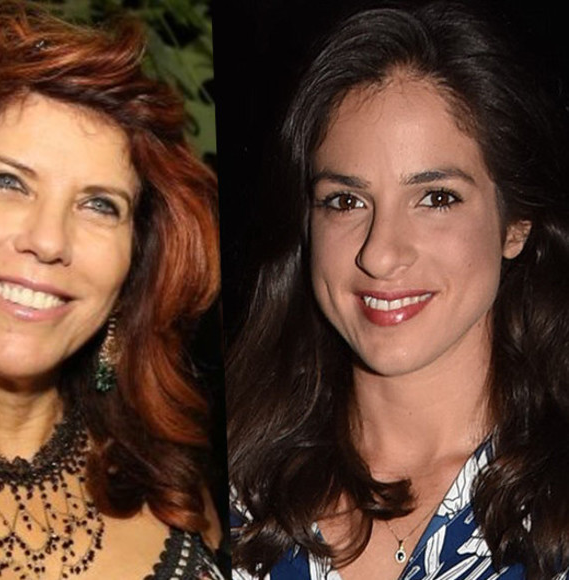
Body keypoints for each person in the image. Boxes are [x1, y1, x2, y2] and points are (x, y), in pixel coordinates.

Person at [0, 1, 223, 579]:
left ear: (135, 262)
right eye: (7, 181)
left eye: (99, 205)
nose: (48, 240)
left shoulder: (174, 491)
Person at [227, 2, 569, 579]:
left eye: (436, 198)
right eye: (345, 201)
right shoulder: (234, 491)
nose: (380, 253)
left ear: (516, 225)